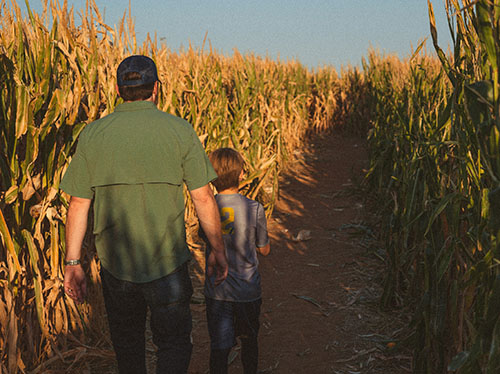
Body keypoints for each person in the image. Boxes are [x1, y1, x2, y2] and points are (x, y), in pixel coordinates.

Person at [60, 55, 228, 374]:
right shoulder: (179, 130)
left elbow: (78, 204)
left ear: (119, 89)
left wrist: (72, 263)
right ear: (156, 90)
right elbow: (203, 197)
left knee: (128, 346)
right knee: (175, 343)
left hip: (116, 268)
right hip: (168, 264)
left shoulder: (93, 134)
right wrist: (217, 250)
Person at [203, 148, 271, 374]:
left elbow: (204, 238)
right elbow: (264, 250)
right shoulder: (255, 208)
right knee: (249, 339)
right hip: (247, 290)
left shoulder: (206, 208)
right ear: (242, 174)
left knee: (220, 347)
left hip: (217, 291)